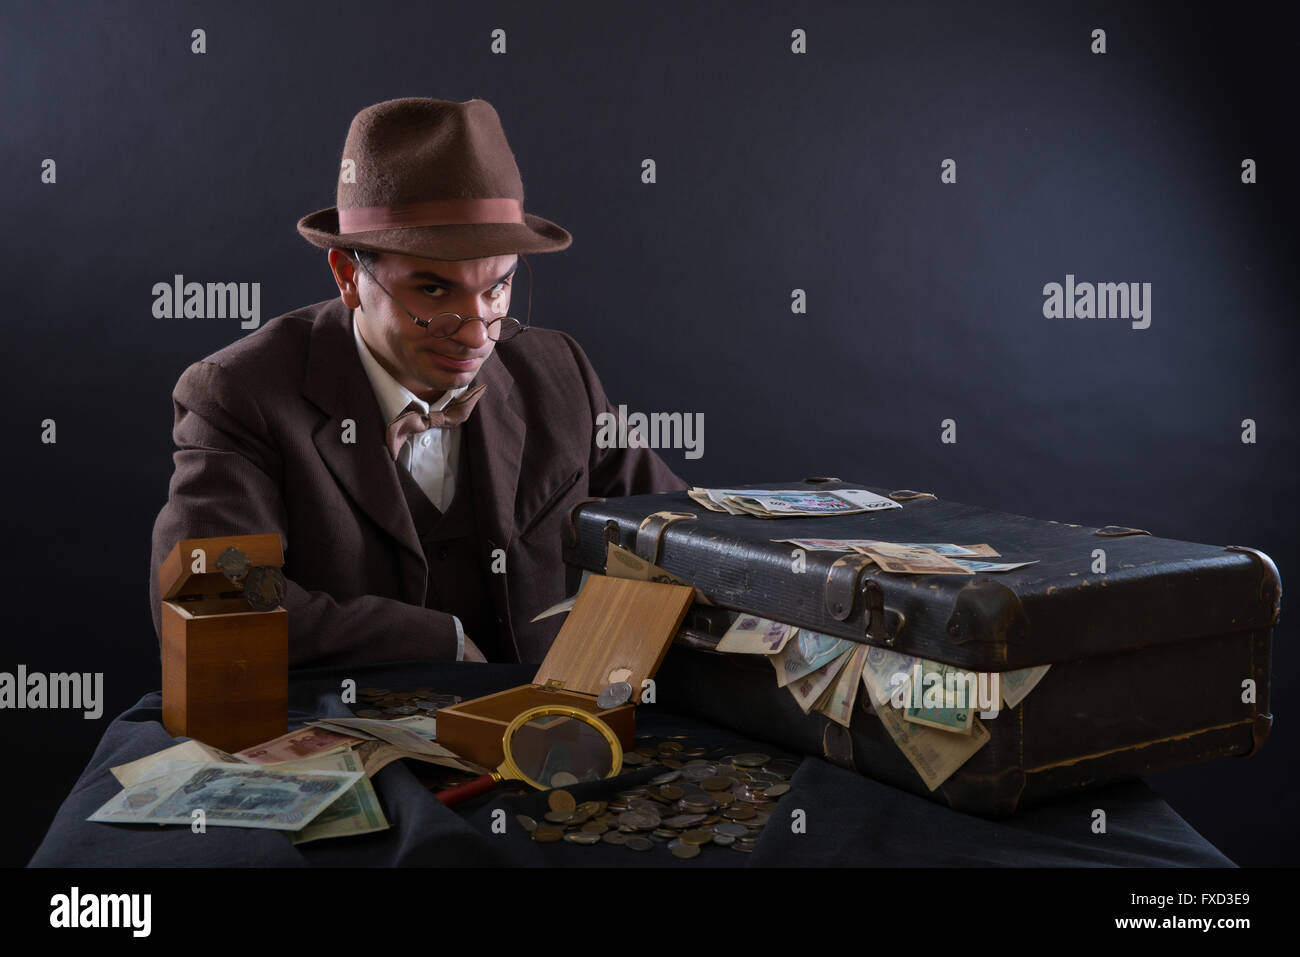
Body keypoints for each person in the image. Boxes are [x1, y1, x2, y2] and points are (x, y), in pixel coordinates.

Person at [149, 97, 686, 667]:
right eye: (434, 291)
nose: (478, 334)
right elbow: (218, 604)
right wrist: (440, 644)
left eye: (498, 288)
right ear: (349, 275)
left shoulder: (558, 370)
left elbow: (681, 540)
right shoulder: (240, 394)